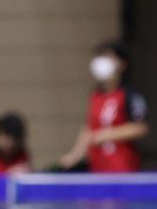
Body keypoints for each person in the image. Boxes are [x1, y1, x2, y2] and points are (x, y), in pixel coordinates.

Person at [57, 41, 148, 173]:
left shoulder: (129, 95)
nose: (103, 62)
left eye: (109, 57)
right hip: (98, 168)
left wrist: (106, 135)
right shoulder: (95, 95)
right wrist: (73, 156)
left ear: (122, 64)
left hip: (122, 169)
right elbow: (89, 129)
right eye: (101, 57)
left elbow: (140, 127)